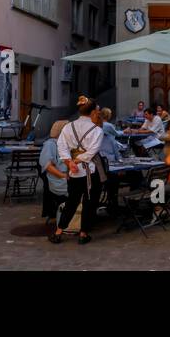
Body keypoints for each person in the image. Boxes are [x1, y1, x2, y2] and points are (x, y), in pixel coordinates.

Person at [51, 97, 103, 245]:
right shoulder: (97, 130)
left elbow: (61, 146)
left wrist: (69, 162)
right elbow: (92, 151)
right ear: (93, 112)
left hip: (74, 171)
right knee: (89, 202)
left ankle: (58, 232)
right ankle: (83, 233)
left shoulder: (68, 127)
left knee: (71, 202)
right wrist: (77, 161)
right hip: (89, 171)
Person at [39, 119, 70, 230]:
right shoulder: (50, 145)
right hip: (59, 179)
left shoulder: (65, 144)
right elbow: (48, 166)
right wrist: (63, 176)